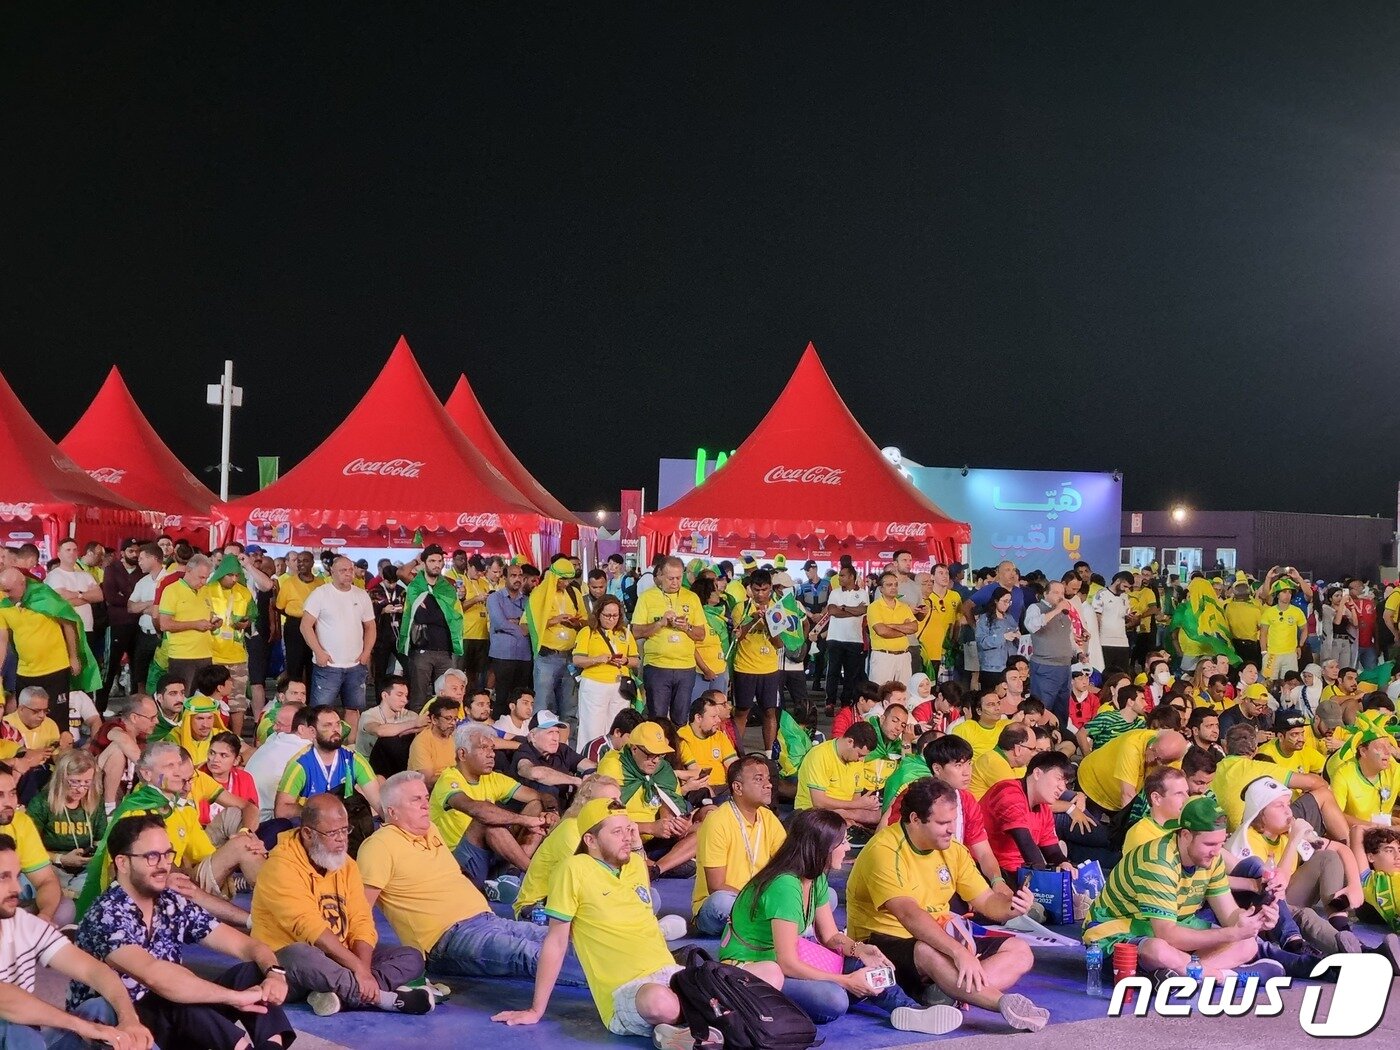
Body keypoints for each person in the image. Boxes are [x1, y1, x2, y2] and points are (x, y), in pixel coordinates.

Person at [717, 807, 959, 1034]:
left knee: (860, 966)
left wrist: (860, 949)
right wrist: (845, 981)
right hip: (754, 968)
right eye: (841, 842)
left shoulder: (815, 878)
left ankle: (910, 1010)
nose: (847, 847)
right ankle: (865, 994)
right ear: (822, 847)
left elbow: (830, 937)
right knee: (834, 1000)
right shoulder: (785, 885)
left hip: (786, 960)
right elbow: (788, 963)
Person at [68, 814, 294, 1049]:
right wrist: (234, 998)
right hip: (117, 1025)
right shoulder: (106, 914)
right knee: (174, 991)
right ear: (123, 863)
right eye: (152, 857)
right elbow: (155, 976)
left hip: (175, 1017)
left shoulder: (170, 901)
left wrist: (274, 973)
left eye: (167, 854)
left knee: (251, 972)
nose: (164, 865)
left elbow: (246, 945)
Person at [489, 797, 700, 1046]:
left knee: (740, 977)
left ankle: (686, 1030)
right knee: (661, 1002)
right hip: (627, 991)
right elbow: (556, 942)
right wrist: (536, 1010)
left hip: (668, 972)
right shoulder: (573, 869)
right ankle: (698, 1023)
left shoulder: (634, 864)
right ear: (591, 841)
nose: (628, 838)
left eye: (629, 829)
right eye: (617, 832)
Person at [846, 778, 1048, 1032]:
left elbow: (985, 900)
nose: (951, 829)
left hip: (940, 936)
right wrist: (959, 953)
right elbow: (909, 915)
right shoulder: (885, 850)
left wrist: (1012, 906)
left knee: (1019, 950)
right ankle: (1001, 1002)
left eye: (953, 821)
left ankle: (949, 990)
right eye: (942, 823)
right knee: (927, 950)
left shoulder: (953, 850)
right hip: (883, 943)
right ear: (915, 819)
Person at [359, 771, 588, 986]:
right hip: (446, 939)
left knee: (568, 938)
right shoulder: (379, 845)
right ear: (392, 811)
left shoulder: (431, 831)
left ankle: (618, 966)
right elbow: (360, 911)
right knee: (532, 954)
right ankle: (616, 985)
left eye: (426, 797)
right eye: (415, 799)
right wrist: (361, 966)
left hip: (486, 919)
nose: (425, 804)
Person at [251, 794, 431, 1017]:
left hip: (340, 959)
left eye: (345, 830)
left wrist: (362, 968)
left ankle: (341, 995)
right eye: (332, 833)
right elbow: (310, 929)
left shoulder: (346, 865)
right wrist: (357, 969)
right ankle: (386, 999)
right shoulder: (280, 866)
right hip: (290, 966)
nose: (342, 840)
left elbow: (361, 919)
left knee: (411, 956)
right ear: (308, 833)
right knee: (300, 953)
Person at [1082, 796, 1284, 981]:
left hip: (1171, 931)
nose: (1216, 852)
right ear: (1186, 835)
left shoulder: (1211, 858)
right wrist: (1232, 933)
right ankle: (1225, 977)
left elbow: (1230, 915)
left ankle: (1182, 975)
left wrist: (1255, 920)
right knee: (1158, 950)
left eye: (1221, 843)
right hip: (1115, 937)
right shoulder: (1158, 861)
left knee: (1247, 944)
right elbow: (1167, 935)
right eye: (1210, 844)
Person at [0, 831, 153, 1050]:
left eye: (16, 876)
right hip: (18, 1037)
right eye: (3, 877)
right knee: (15, 1030)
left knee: (104, 1008)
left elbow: (96, 971)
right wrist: (82, 1027)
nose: (16, 888)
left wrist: (129, 1019)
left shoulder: (21, 922)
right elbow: (5, 999)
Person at [431, 721, 557, 889]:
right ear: (462, 754)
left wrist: (551, 811)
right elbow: (476, 809)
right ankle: (535, 876)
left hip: (492, 856)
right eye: (484, 748)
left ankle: (511, 877)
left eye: (492, 748)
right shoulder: (448, 779)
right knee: (486, 819)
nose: (492, 755)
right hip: (460, 862)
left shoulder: (493, 778)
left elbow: (540, 796)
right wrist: (525, 821)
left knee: (535, 805)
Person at [691, 754, 786, 935]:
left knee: (825, 895)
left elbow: (787, 864)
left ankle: (764, 926)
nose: (769, 784)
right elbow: (716, 886)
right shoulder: (717, 821)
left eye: (768, 779)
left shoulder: (768, 818)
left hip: (760, 899)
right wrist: (761, 901)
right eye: (759, 779)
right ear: (738, 787)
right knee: (721, 902)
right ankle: (776, 927)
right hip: (720, 904)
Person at [0, 566, 92, 740]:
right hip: (25, 671)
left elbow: (69, 623)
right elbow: (2, 640)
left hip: (55, 668)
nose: (5, 594)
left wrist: (73, 657)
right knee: (25, 720)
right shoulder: (3, 604)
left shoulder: (44, 596)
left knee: (57, 719)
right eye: (2, 590)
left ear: (22, 583)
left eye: (9, 590)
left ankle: (57, 760)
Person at [595, 722, 697, 877]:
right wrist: (650, 827)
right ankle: (660, 864)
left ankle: (655, 869)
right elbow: (605, 820)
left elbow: (669, 800)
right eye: (650, 754)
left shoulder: (663, 769)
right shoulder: (613, 767)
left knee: (704, 827)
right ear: (634, 748)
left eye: (660, 755)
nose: (655, 760)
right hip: (626, 839)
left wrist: (674, 824)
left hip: (656, 839)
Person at [514, 774, 621, 919]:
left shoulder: (605, 831)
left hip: (576, 900)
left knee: (647, 897)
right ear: (588, 804)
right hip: (537, 909)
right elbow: (585, 883)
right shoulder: (571, 829)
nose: (621, 806)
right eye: (612, 802)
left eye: (619, 799)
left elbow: (629, 875)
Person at [301, 554, 376, 736]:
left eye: (350, 570)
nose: (348, 574)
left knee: (353, 709)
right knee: (321, 710)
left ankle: (351, 748)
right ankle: (319, 743)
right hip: (328, 665)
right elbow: (305, 626)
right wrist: (318, 652)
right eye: (343, 570)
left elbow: (370, 626)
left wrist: (366, 652)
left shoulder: (361, 595)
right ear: (331, 572)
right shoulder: (321, 594)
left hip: (356, 664)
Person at [629, 556, 705, 726]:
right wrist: (660, 623)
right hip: (657, 666)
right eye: (671, 578)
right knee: (657, 718)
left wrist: (687, 627)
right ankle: (656, 752)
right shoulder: (647, 598)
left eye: (679, 578)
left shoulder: (692, 598)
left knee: (680, 718)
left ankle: (676, 752)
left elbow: (701, 634)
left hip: (685, 667)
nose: (675, 582)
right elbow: (635, 632)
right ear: (660, 576)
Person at [980, 751, 1075, 880]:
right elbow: (1025, 843)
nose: (1062, 788)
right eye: (1059, 779)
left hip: (1018, 871)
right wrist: (1044, 882)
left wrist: (1064, 863)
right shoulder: (1008, 792)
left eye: (1065, 782)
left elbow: (1052, 851)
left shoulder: (1044, 808)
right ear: (1037, 774)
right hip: (990, 871)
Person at [274, 705, 381, 819]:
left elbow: (378, 803)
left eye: (338, 724)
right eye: (327, 725)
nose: (336, 729)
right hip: (313, 827)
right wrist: (319, 812)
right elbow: (281, 810)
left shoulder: (354, 759)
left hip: (346, 825)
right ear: (312, 732)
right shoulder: (300, 764)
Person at [0, 762, 72, 927]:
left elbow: (46, 879)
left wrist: (44, 916)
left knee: (65, 908)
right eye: (0, 795)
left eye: (12, 793)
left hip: (11, 907)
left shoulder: (20, 822)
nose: (9, 803)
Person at [28, 748, 106, 896]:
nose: (80, 789)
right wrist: (61, 859)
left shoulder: (95, 801)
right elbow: (29, 850)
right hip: (51, 866)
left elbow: (100, 840)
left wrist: (93, 854)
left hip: (85, 869)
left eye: (86, 783)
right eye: (75, 782)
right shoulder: (42, 803)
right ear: (62, 779)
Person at [397, 546, 464, 710]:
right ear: (424, 562)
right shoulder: (415, 585)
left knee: (445, 699)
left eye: (439, 561)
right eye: (432, 561)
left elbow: (452, 616)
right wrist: (415, 560)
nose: (436, 564)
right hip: (421, 651)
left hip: (445, 651)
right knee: (418, 699)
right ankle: (416, 735)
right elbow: (420, 616)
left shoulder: (448, 587)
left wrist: (433, 612)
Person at [1076, 727, 1188, 822]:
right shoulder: (1132, 745)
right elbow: (1127, 795)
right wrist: (1132, 828)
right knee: (1091, 831)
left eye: (1162, 761)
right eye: (1155, 754)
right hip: (1092, 784)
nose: (1156, 761)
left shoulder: (1174, 755)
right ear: (1152, 744)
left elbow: (1168, 790)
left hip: (1119, 799)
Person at [198, 554, 255, 738]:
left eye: (237, 575)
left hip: (237, 656)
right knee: (211, 700)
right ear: (221, 573)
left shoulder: (244, 593)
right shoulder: (207, 590)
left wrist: (245, 623)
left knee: (237, 703)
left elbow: (253, 615)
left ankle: (236, 739)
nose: (234, 579)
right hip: (212, 655)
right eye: (230, 575)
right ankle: (212, 737)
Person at [570, 594, 638, 748]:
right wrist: (597, 659)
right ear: (598, 614)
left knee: (616, 728)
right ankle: (588, 762)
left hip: (619, 686)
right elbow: (577, 660)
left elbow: (636, 660)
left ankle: (612, 761)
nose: (611, 619)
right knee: (592, 728)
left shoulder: (625, 633)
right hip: (594, 684)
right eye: (607, 615)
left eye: (615, 615)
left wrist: (625, 660)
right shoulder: (587, 631)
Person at [729, 567, 785, 751]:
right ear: (750, 589)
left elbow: (779, 643)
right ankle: (737, 753)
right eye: (756, 590)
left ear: (770, 588)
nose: (760, 594)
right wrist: (753, 619)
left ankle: (769, 754)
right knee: (742, 712)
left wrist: (768, 620)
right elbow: (739, 636)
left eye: (764, 590)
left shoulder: (778, 609)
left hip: (769, 669)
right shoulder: (741, 608)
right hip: (745, 668)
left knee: (769, 712)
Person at [526, 556, 586, 726]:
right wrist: (556, 619)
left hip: (570, 657)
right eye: (562, 580)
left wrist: (576, 622)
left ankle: (568, 744)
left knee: (570, 706)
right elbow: (530, 624)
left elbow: (586, 620)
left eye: (569, 580)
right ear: (554, 577)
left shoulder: (574, 593)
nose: (565, 584)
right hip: (547, 657)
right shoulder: (539, 594)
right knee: (543, 705)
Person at [794, 722, 880, 828]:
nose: (861, 759)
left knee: (881, 816)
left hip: (842, 815)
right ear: (850, 742)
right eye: (860, 755)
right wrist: (859, 805)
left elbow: (855, 797)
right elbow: (819, 803)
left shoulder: (857, 761)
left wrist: (852, 817)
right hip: (813, 816)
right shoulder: (820, 755)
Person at [155, 553, 215, 691]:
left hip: (206, 653)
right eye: (201, 577)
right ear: (188, 570)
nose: (203, 582)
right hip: (182, 656)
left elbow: (210, 614)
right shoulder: (171, 590)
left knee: (203, 698)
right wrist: (195, 624)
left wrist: (214, 622)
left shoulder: (206, 591)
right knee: (183, 696)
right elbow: (164, 624)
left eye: (206, 578)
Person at [510, 710, 595, 805]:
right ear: (533, 736)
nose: (556, 738)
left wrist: (589, 776)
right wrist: (574, 780)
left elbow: (590, 765)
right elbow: (535, 773)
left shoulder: (562, 749)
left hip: (566, 809)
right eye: (550, 732)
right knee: (547, 789)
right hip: (536, 812)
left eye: (557, 732)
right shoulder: (524, 751)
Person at [100, 538, 144, 705]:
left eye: (137, 551)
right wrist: (134, 601)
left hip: (138, 626)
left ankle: (135, 707)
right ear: (122, 553)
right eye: (131, 551)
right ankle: (101, 708)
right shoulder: (112, 569)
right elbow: (110, 596)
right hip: (117, 625)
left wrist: (124, 596)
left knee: (136, 669)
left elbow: (145, 597)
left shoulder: (142, 571)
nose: (135, 554)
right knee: (110, 667)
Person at [355, 674, 421, 776]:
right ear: (385, 695)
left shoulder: (410, 715)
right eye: (399, 695)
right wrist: (414, 724)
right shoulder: (368, 715)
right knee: (389, 740)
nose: (404, 700)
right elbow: (379, 731)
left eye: (406, 696)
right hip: (371, 768)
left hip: (401, 765)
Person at [487, 564, 533, 708]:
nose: (517, 579)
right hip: (502, 654)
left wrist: (512, 622)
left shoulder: (527, 600)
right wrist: (520, 627)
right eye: (513, 576)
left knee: (519, 698)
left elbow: (532, 624)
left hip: (524, 655)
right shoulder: (495, 598)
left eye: (520, 576)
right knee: (502, 697)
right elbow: (500, 623)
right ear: (505, 577)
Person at [676, 692, 737, 801]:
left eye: (718, 716)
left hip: (724, 787)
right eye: (713, 717)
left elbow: (734, 765)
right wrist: (711, 795)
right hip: (700, 789)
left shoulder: (719, 736)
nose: (718, 720)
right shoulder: (683, 737)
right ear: (698, 717)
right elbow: (696, 774)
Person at [824, 564, 868, 710]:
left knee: (851, 674)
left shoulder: (862, 593)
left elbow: (863, 610)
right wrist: (852, 611)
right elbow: (831, 611)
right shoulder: (835, 592)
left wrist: (842, 607)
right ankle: (830, 702)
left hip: (854, 640)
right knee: (833, 672)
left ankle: (845, 703)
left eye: (842, 575)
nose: (840, 578)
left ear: (851, 577)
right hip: (835, 638)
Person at [125, 544, 165, 697]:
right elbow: (131, 607)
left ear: (153, 558)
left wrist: (145, 608)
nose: (139, 562)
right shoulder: (142, 582)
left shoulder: (170, 579)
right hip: (143, 635)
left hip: (161, 635)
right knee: (140, 675)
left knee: (161, 673)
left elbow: (164, 610)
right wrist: (153, 603)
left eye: (142, 558)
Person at [865, 571, 917, 686]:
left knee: (904, 693)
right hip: (883, 656)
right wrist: (904, 630)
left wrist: (891, 625)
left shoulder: (904, 607)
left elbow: (914, 627)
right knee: (879, 692)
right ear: (881, 589)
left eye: (895, 584)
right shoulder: (874, 607)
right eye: (889, 585)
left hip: (904, 656)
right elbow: (882, 631)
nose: (893, 587)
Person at [1121, 767, 1190, 853]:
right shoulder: (1141, 835)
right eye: (1179, 793)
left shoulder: (1188, 826)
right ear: (1156, 798)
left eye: (1187, 792)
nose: (1187, 799)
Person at [406, 696, 462, 789]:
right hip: (433, 792)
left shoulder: (457, 737)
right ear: (434, 719)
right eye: (448, 718)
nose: (453, 723)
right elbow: (427, 781)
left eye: (455, 719)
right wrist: (459, 774)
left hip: (456, 784)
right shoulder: (422, 742)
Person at [1260, 578, 1309, 682]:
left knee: (1288, 683)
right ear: (1277, 594)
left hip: (1290, 654)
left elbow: (1304, 629)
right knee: (1269, 682)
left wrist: (1300, 645)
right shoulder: (1269, 612)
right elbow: (1263, 634)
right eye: (1284, 592)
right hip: (1272, 654)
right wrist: (1264, 652)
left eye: (1290, 592)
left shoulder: (1297, 611)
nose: (1287, 595)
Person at [968, 723, 1034, 799]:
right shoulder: (994, 761)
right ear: (1018, 749)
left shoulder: (1015, 764)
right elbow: (1017, 798)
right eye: (1032, 749)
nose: (1033, 754)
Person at [973, 586, 1019, 689]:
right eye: (1004, 601)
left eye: (1009, 602)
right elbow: (982, 642)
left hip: (1009, 665)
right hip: (992, 667)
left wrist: (1018, 637)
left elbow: (1016, 635)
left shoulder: (1009, 618)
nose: (1007, 605)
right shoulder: (985, 619)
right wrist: (1003, 637)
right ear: (995, 601)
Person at [950, 688, 1011, 758]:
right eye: (991, 705)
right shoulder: (965, 729)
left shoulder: (1008, 726)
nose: (997, 708)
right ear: (979, 711)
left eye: (999, 703)